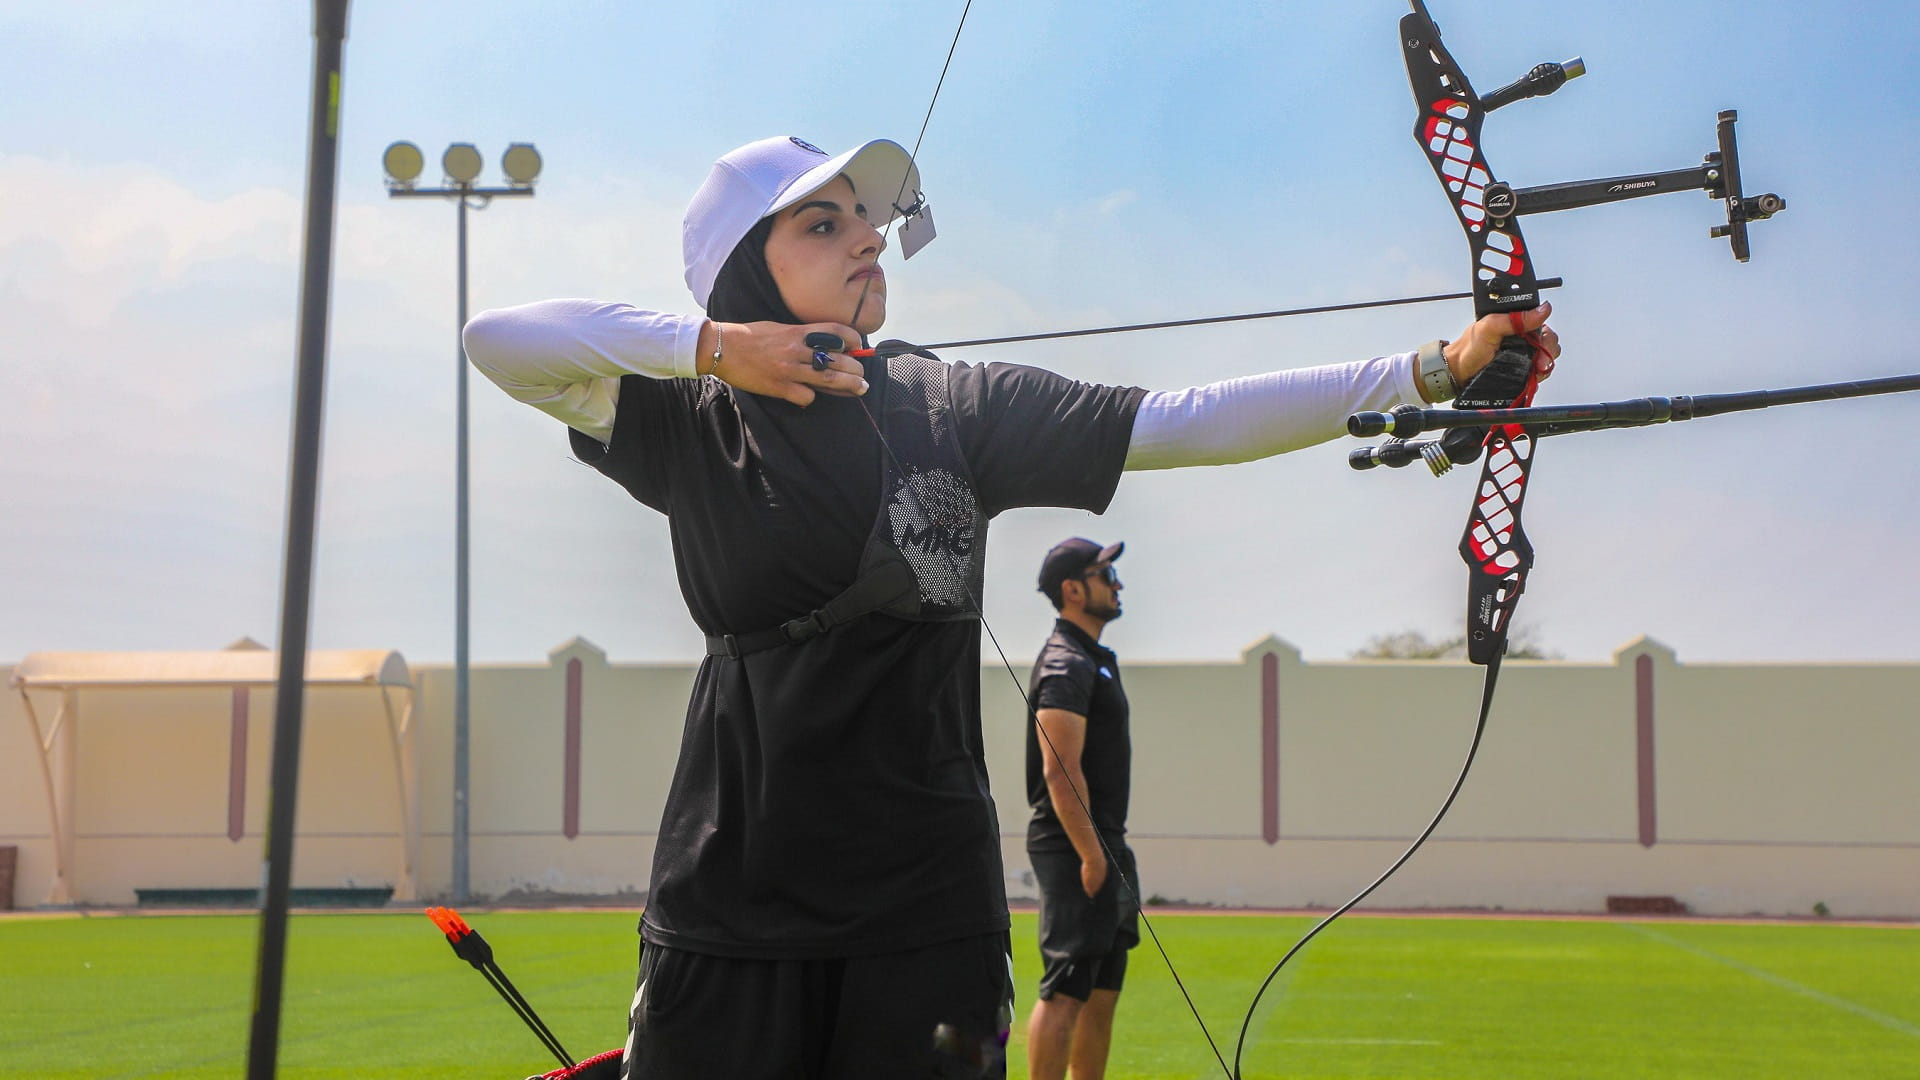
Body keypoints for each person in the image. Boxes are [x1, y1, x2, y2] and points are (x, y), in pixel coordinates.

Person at [461, 134, 1560, 1079]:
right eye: (822, 224)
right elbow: (500, 341)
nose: (868, 238)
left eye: (869, 221)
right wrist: (712, 351)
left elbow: (1188, 418)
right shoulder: (688, 420)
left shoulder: (954, 404)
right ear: (745, 268)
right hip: (727, 903)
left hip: (925, 914)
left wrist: (1429, 367)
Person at [1025, 538, 1135, 1080]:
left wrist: (1105, 850)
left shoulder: (1094, 659)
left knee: (1103, 986)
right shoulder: (1066, 662)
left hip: (1106, 840)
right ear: (1073, 590)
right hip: (1074, 844)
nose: (1117, 583)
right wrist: (1091, 856)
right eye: (1104, 573)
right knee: (1067, 986)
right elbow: (1059, 769)